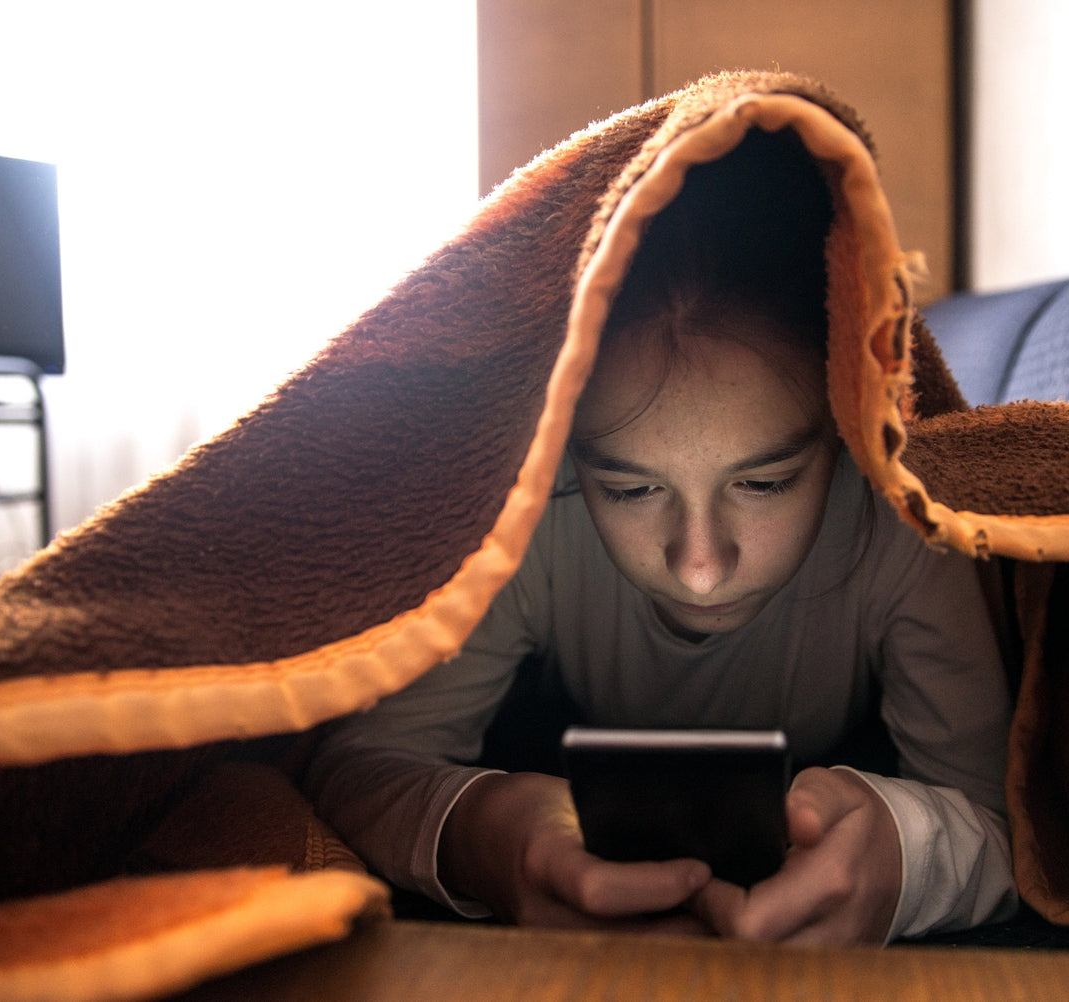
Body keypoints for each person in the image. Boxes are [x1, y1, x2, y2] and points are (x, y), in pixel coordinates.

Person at [306, 131, 1018, 945]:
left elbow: (1002, 819)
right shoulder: (525, 519)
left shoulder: (906, 516)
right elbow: (358, 768)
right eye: (631, 489)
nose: (702, 566)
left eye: (764, 482)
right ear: (567, 450)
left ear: (847, 436)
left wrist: (903, 855)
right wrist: (491, 832)